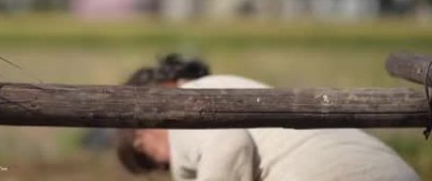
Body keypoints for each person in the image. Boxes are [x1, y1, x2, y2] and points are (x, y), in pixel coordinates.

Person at [116, 54, 420, 181]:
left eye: (158, 164)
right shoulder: (228, 86)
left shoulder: (180, 109)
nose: (169, 169)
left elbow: (228, 145)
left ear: (143, 134)